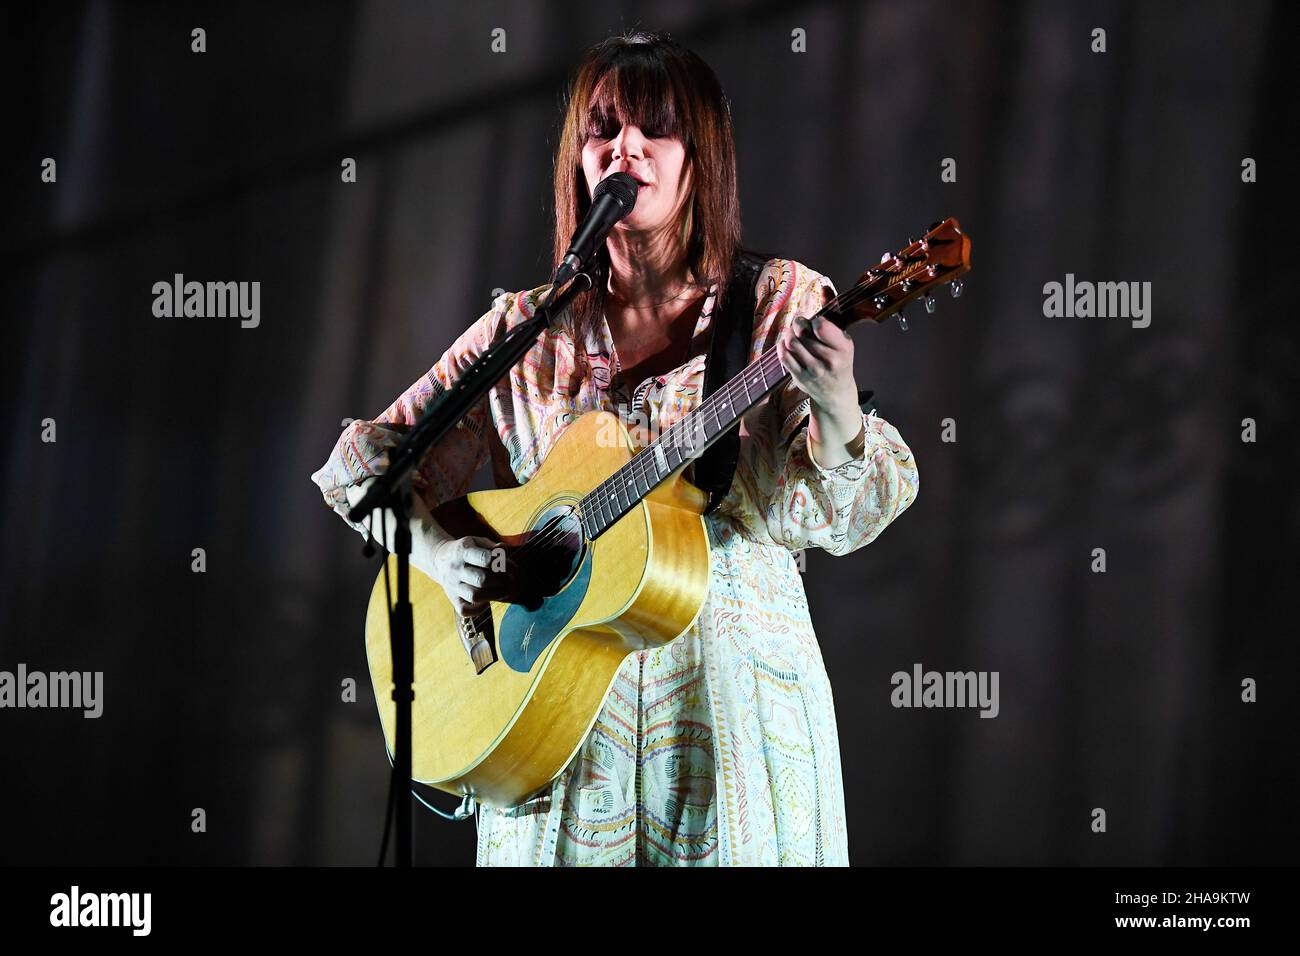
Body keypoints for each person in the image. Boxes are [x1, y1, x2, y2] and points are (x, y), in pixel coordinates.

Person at [311, 31, 918, 866]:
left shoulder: (780, 303)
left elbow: (849, 515)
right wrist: (442, 555)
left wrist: (840, 407)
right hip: (554, 736)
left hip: (729, 734)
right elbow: (364, 463)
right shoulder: (528, 326)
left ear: (699, 157)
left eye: (653, 129)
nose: (622, 147)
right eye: (601, 130)